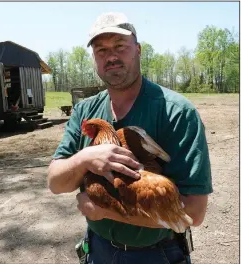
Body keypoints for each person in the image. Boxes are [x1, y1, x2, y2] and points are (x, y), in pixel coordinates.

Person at [47, 12, 213, 264]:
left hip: (158, 254)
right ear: (94, 58)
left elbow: (194, 212)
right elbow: (56, 183)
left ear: (138, 50)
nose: (111, 56)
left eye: (120, 47)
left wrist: (106, 210)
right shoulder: (85, 111)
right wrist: (85, 159)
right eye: (101, 50)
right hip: (98, 250)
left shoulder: (177, 112)